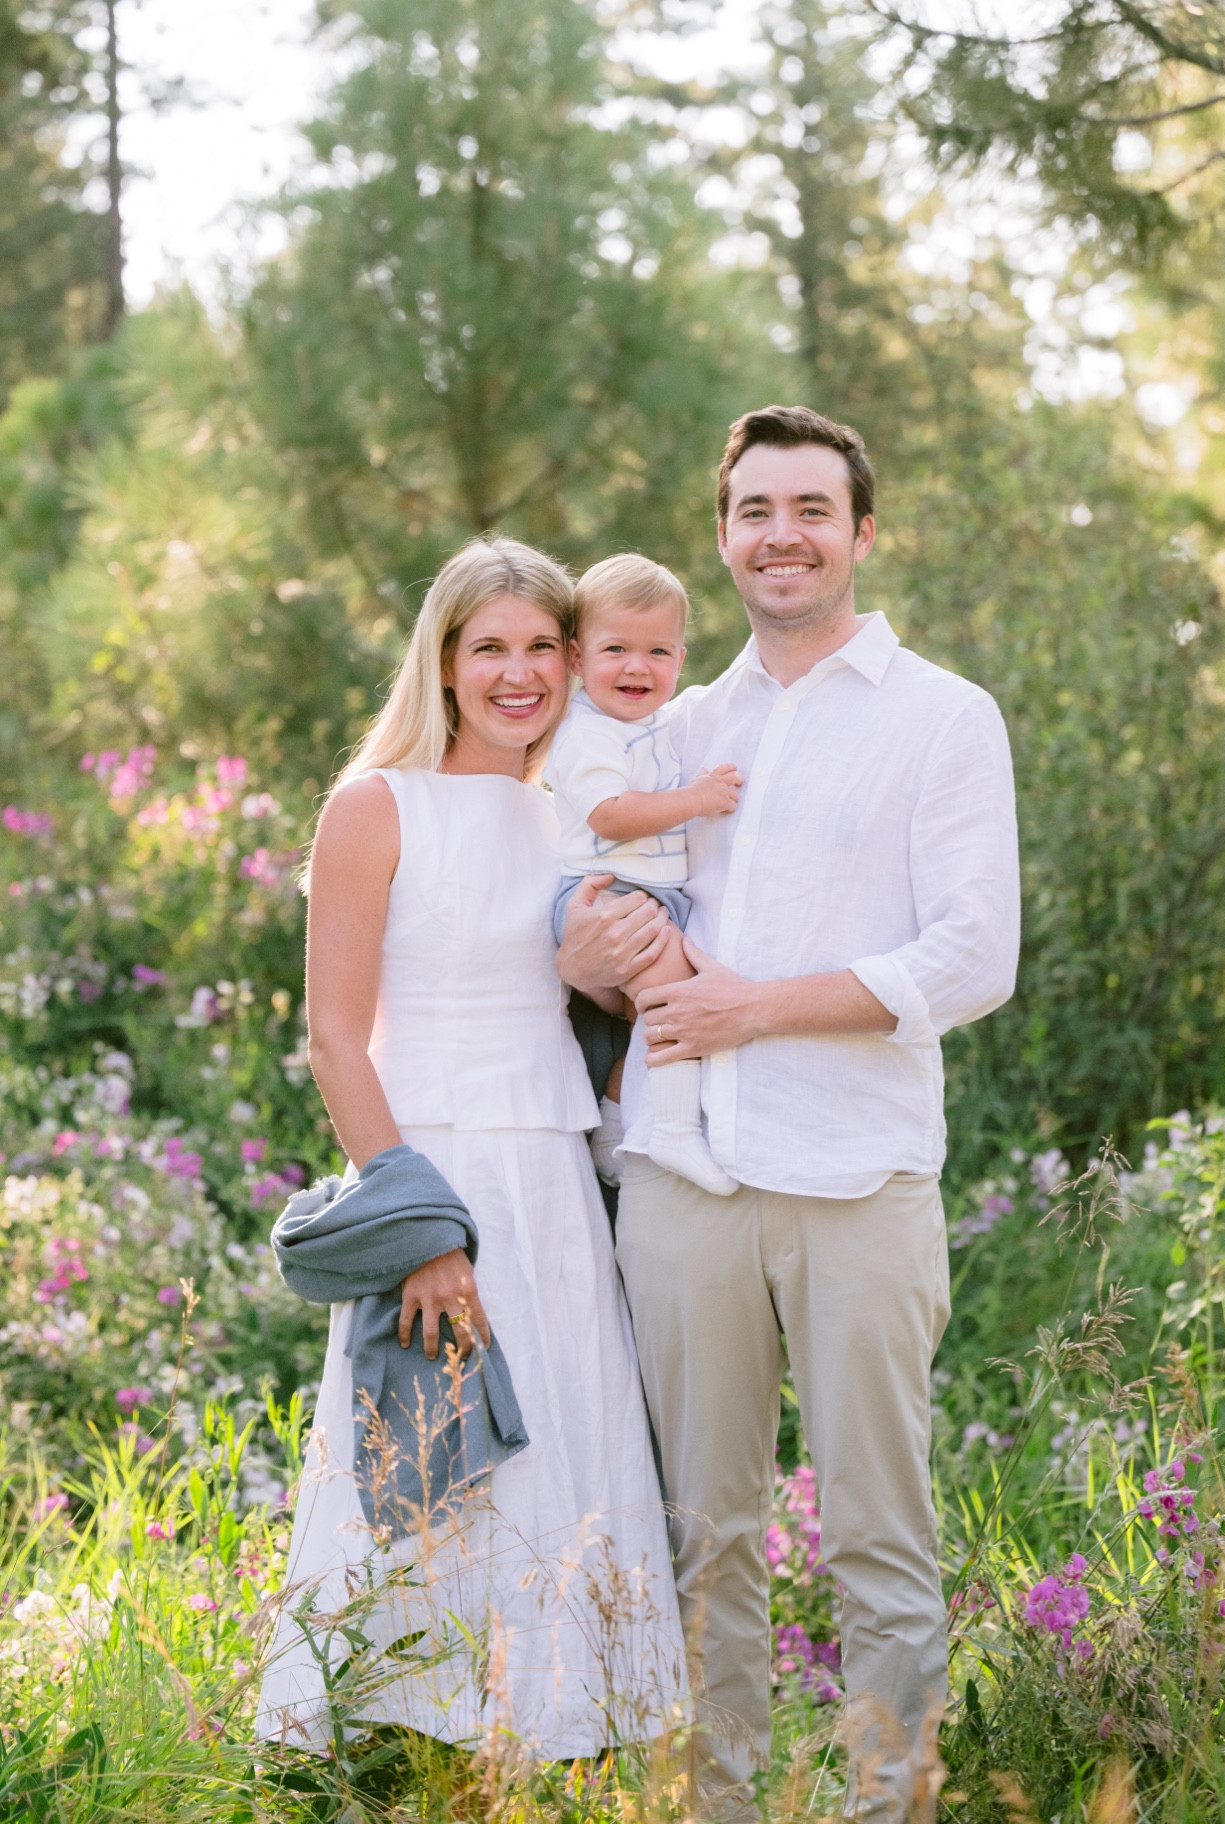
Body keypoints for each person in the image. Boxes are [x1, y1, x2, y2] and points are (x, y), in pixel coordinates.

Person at [556, 406, 1020, 1810]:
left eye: (811, 508)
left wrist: (752, 1007)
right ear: (722, 535)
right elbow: (590, 902)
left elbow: (972, 957)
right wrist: (595, 956)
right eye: (755, 509)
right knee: (702, 1538)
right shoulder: (678, 727)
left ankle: (888, 1802)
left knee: (878, 1538)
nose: (782, 534)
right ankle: (720, 1805)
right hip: (681, 1179)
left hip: (855, 1178)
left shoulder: (941, 716)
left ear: (862, 532)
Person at [257, 537, 687, 1759]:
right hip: (433, 1166)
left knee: (567, 1431)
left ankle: (563, 1728)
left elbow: (602, 994)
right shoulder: (375, 804)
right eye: (489, 645)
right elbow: (335, 1039)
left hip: (553, 1169)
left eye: (542, 645)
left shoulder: (571, 812)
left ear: (573, 660)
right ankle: (392, 1739)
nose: (518, 671)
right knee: (426, 1452)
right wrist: (419, 1232)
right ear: (442, 660)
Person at [545, 553, 742, 1195]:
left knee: (645, 1020)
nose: (638, 666)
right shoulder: (588, 732)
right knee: (675, 1006)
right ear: (578, 658)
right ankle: (676, 1132)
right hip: (606, 894)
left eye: (658, 651)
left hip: (649, 895)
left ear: (681, 660)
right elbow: (610, 814)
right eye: (616, 649)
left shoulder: (655, 724)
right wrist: (697, 799)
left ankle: (612, 1129)